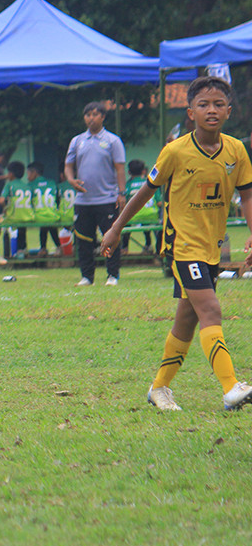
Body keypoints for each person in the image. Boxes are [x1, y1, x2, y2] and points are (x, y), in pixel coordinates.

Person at [99, 76, 252, 412]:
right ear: (190, 112)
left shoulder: (236, 150)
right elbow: (144, 193)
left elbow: (247, 195)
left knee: (187, 319)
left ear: (229, 110)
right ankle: (231, 388)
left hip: (211, 247)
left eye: (218, 104)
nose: (211, 110)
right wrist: (116, 228)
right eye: (203, 105)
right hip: (182, 247)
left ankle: (159, 388)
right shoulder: (175, 151)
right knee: (210, 310)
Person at [65, 101, 126, 286]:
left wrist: (121, 193)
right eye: (87, 115)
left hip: (106, 198)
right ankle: (87, 276)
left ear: (102, 117)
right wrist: (70, 179)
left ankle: (112, 275)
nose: (90, 118)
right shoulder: (77, 141)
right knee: (83, 240)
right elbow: (68, 165)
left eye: (94, 114)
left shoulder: (112, 140)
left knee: (110, 237)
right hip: (83, 200)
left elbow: (120, 169)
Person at [121, 159, 160, 254]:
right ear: (144, 171)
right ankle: (149, 245)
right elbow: (159, 202)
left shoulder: (128, 185)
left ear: (129, 172)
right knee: (147, 222)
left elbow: (124, 202)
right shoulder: (151, 182)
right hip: (151, 215)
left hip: (133, 215)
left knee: (126, 222)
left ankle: (124, 247)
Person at [0, 161, 34, 256]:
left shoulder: (9, 185)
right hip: (27, 216)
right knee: (22, 228)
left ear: (11, 174)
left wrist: (5, 208)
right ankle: (22, 249)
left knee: (3, 226)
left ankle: (8, 254)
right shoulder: (27, 186)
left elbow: (1, 201)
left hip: (14, 216)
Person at [26, 162, 61, 256]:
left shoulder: (31, 185)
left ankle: (41, 248)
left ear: (34, 173)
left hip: (38, 216)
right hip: (53, 215)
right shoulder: (52, 183)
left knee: (43, 222)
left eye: (28, 173)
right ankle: (58, 246)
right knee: (49, 223)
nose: (27, 176)